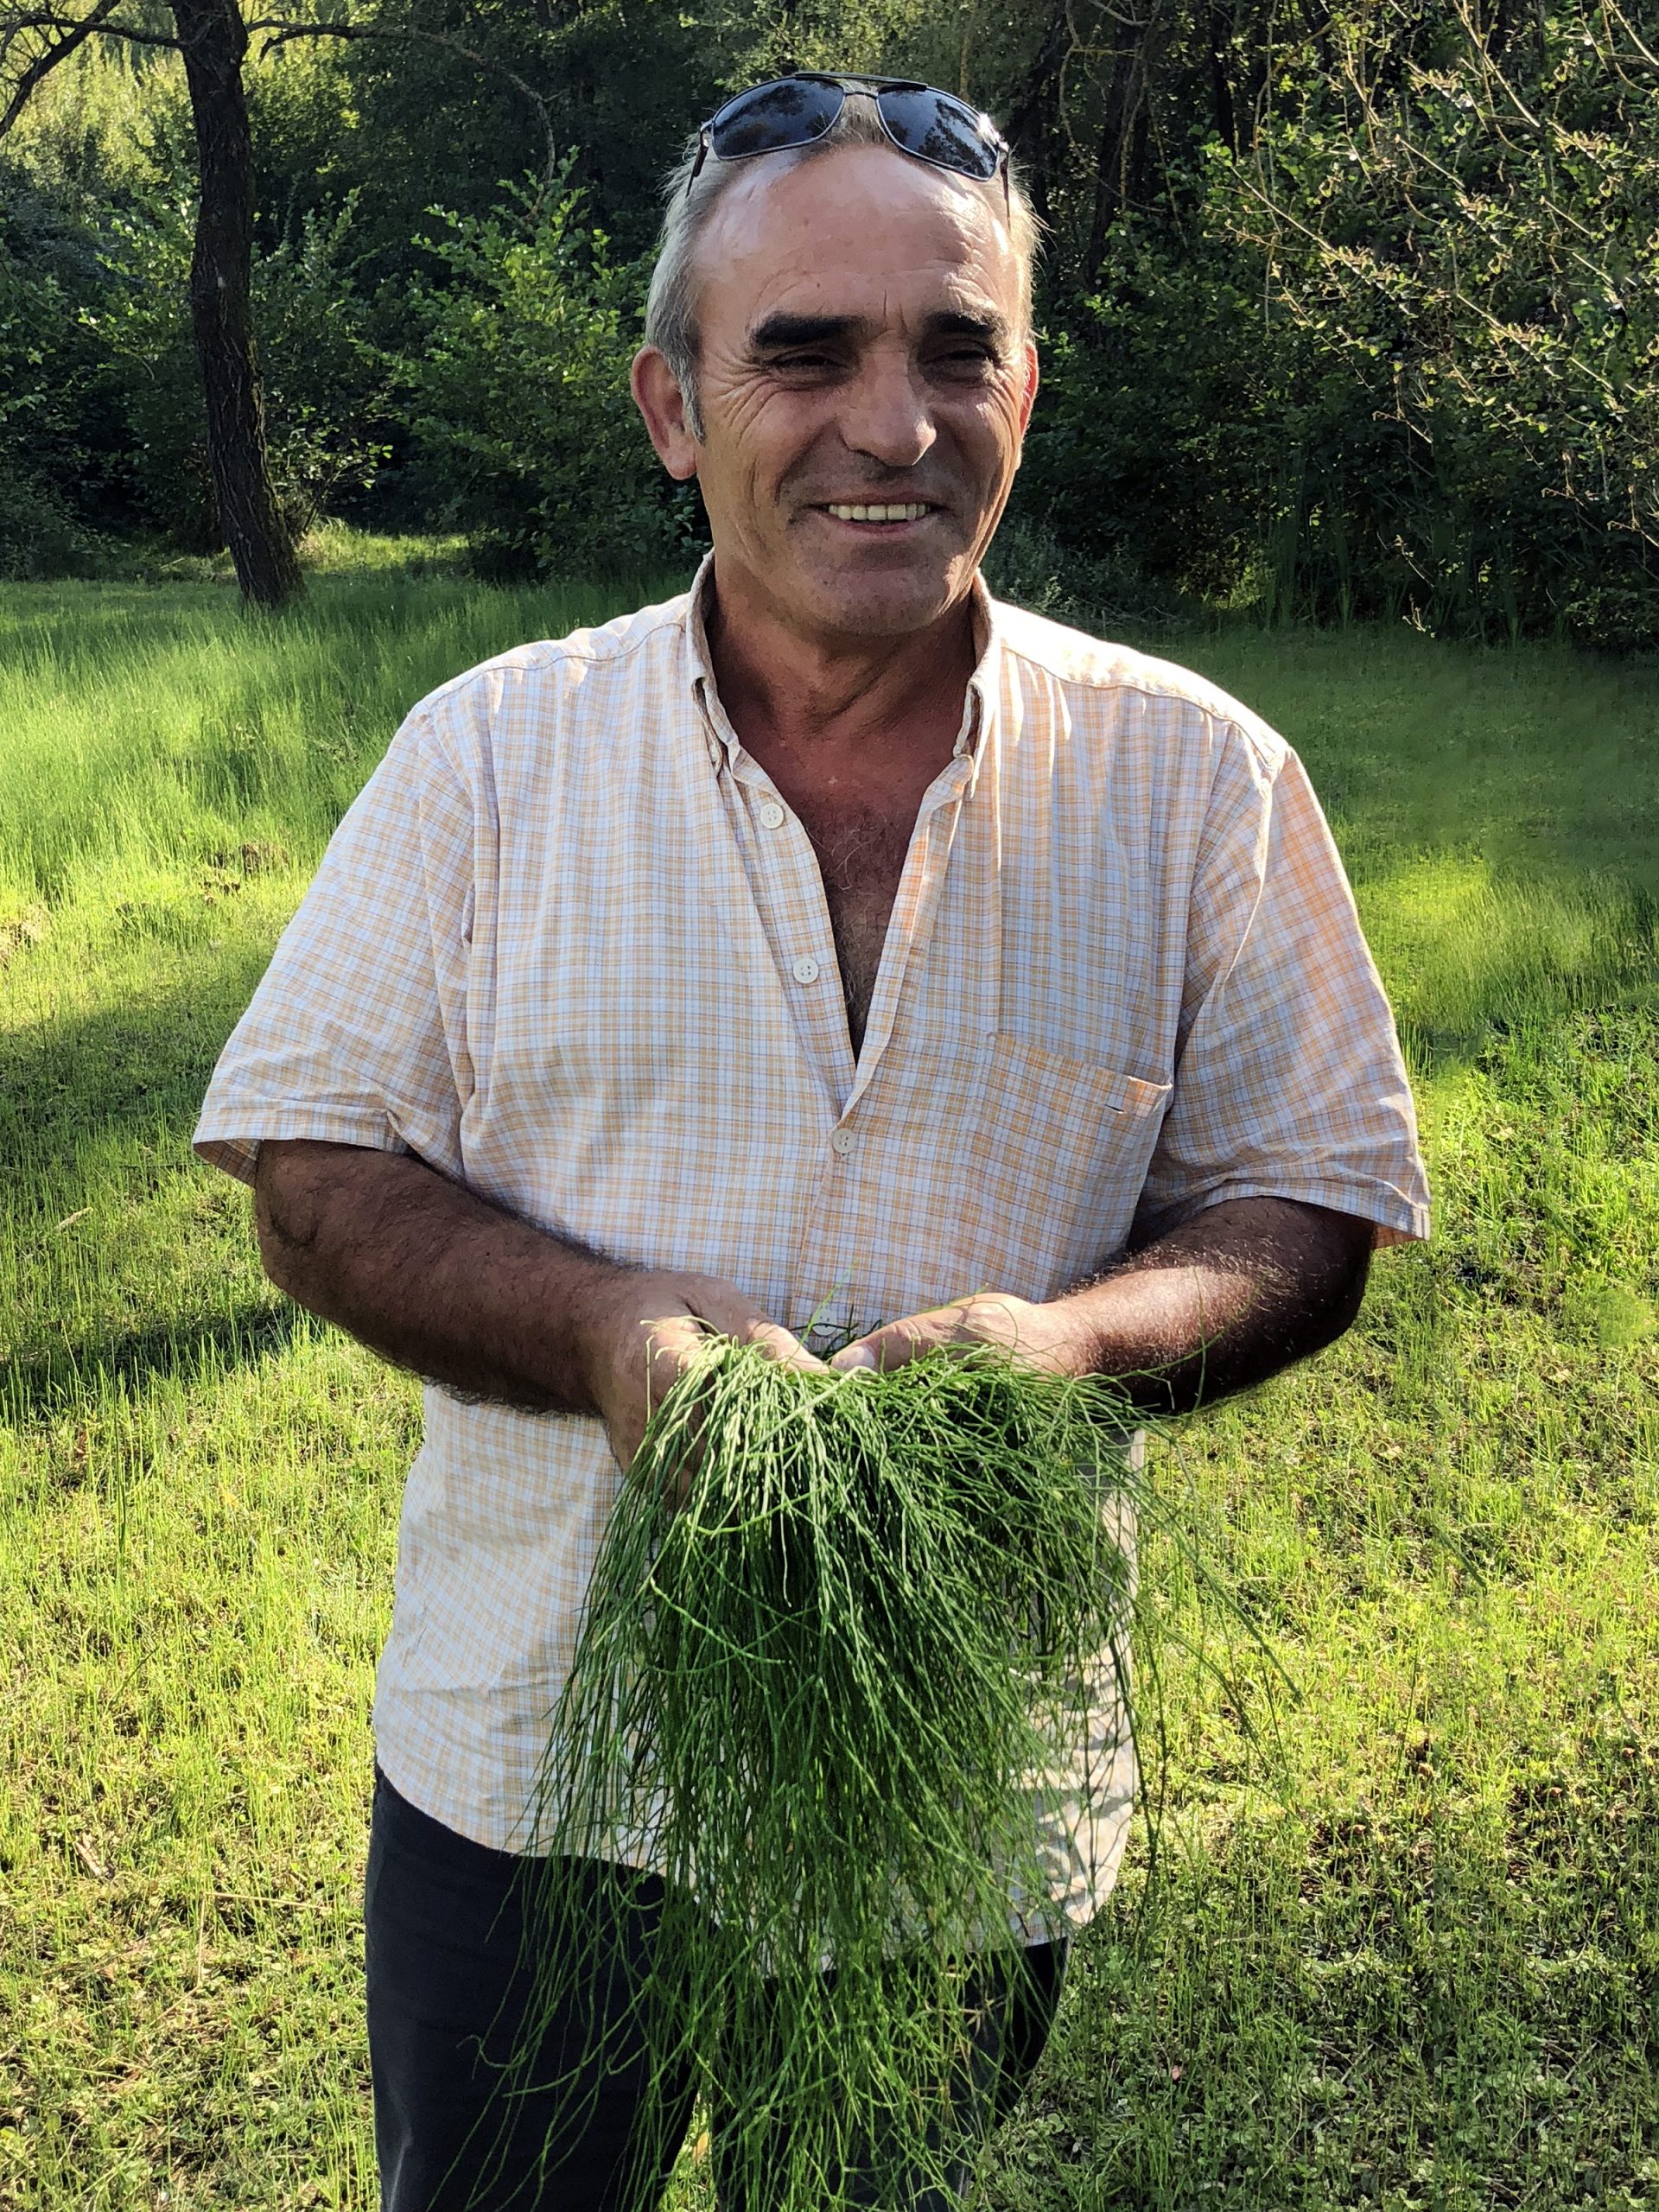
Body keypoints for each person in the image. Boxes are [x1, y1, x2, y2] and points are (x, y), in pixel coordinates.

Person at [194, 69, 1430, 2212]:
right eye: (805, 350)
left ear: (1027, 387)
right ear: (674, 405)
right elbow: (314, 1169)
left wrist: (1079, 1346)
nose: (892, 420)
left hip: (963, 1775)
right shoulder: (489, 755)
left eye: (956, 347)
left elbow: (1310, 1198)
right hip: (530, 1770)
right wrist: (603, 1332)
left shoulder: (1195, 781)